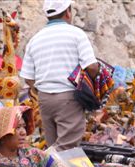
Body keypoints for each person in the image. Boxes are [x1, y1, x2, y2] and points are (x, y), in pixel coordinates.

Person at [20, 0, 99, 151]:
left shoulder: (35, 39)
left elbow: (28, 78)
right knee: (66, 148)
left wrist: (41, 91)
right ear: (68, 11)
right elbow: (92, 66)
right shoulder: (76, 34)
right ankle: (42, 163)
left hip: (45, 100)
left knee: (53, 144)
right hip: (68, 98)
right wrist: (94, 83)